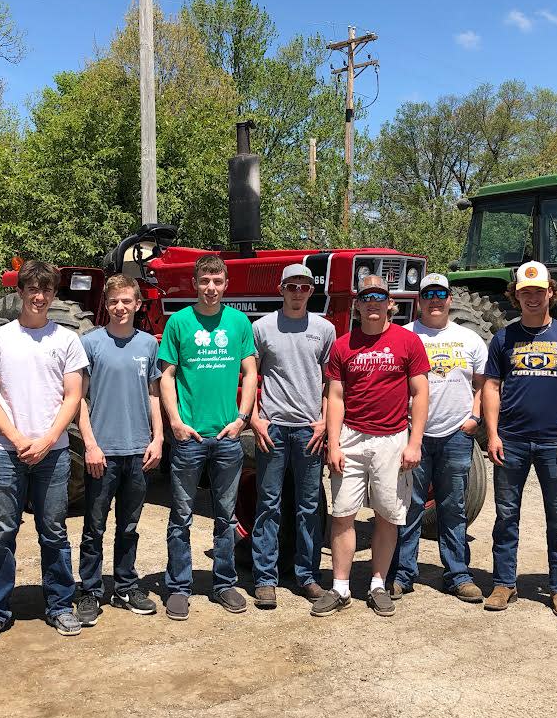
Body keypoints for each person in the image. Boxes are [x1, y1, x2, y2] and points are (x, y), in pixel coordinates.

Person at [0, 260, 87, 643]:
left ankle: (59, 605)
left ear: (54, 294)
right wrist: (18, 439)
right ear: (19, 292)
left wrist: (46, 439)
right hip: (6, 452)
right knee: (2, 531)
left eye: (47, 290)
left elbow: (73, 397)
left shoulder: (67, 340)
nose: (40, 297)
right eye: (32, 290)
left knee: (53, 531)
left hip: (52, 454)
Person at [312, 275, 430, 619]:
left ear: (389, 303)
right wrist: (333, 444)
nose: (373, 303)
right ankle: (340, 587)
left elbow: (420, 393)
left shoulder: (407, 342)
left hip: (392, 440)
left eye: (380, 297)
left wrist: (415, 442)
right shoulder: (343, 345)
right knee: (342, 514)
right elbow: (334, 397)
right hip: (351, 438)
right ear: (358, 304)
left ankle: (378, 584)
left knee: (387, 515)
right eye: (367, 297)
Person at [482, 261, 557, 619]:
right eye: (525, 292)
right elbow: (491, 388)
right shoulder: (503, 338)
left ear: (550, 293)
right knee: (506, 516)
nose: (532, 298)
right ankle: (503, 583)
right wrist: (493, 434)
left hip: (554, 442)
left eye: (538, 292)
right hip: (510, 440)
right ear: (516, 296)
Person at [157, 254, 257, 621]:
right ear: (195, 284)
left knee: (225, 515)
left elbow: (250, 372)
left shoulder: (239, 322)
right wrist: (176, 423)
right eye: (204, 281)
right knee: (181, 514)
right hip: (189, 439)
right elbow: (166, 376)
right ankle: (179, 587)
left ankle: (224, 583)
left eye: (217, 281)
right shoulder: (180, 323)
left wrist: (242, 417)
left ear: (225, 284)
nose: (211, 288)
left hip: (227, 437)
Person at [387, 273, 488, 603]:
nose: (434, 299)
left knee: (453, 507)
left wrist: (474, 418)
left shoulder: (469, 339)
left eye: (440, 293)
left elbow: (483, 384)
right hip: (413, 435)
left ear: (448, 299)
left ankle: (458, 574)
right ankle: (403, 573)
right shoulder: (403, 336)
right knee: (409, 506)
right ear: (419, 300)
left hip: (456, 435)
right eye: (427, 293)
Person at [76, 275, 164, 623]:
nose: (120, 307)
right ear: (107, 304)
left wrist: (157, 439)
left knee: (129, 525)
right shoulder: (91, 343)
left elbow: (154, 394)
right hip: (103, 452)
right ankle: (90, 590)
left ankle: (125, 586)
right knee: (94, 526)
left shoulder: (147, 345)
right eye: (114, 301)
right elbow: (78, 398)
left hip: (138, 451)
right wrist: (90, 445)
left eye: (127, 301)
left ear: (138, 304)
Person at [248, 264, 336, 609]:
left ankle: (307, 576)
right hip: (273, 428)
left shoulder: (324, 329)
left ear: (311, 291)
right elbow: (250, 375)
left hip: (308, 431)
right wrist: (255, 419)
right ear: (281, 288)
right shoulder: (262, 327)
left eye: (303, 287)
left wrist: (324, 421)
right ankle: (265, 578)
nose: (297, 292)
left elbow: (332, 383)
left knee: (309, 506)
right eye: (291, 286)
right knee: (267, 504)